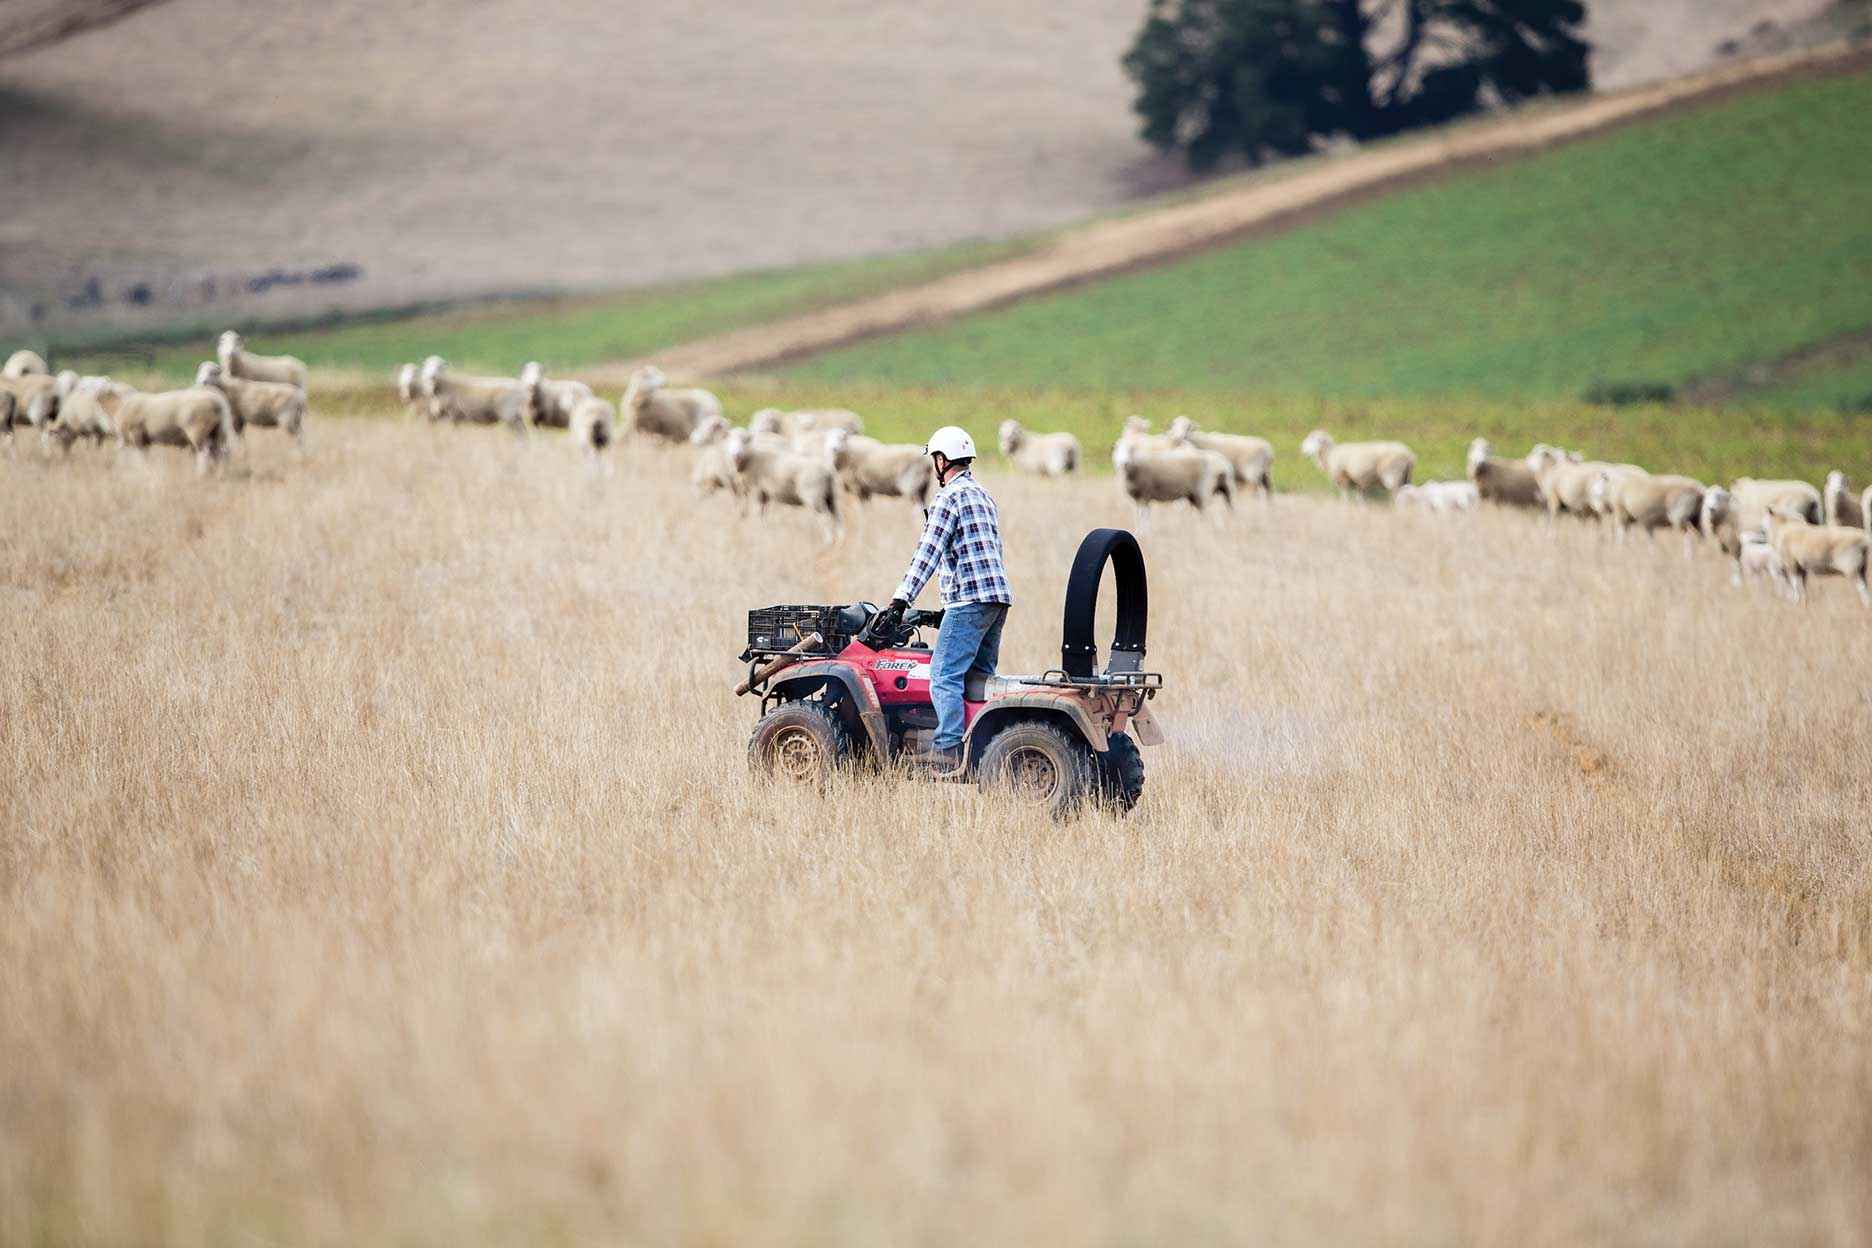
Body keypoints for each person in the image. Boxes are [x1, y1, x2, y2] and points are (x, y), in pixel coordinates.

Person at [888, 425, 1011, 770]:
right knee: (980, 679)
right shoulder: (984, 495)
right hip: (997, 599)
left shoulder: (948, 498)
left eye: (934, 460)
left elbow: (928, 553)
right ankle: (981, 746)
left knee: (943, 675)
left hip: (969, 600)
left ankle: (947, 748)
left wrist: (901, 599)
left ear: (942, 461)